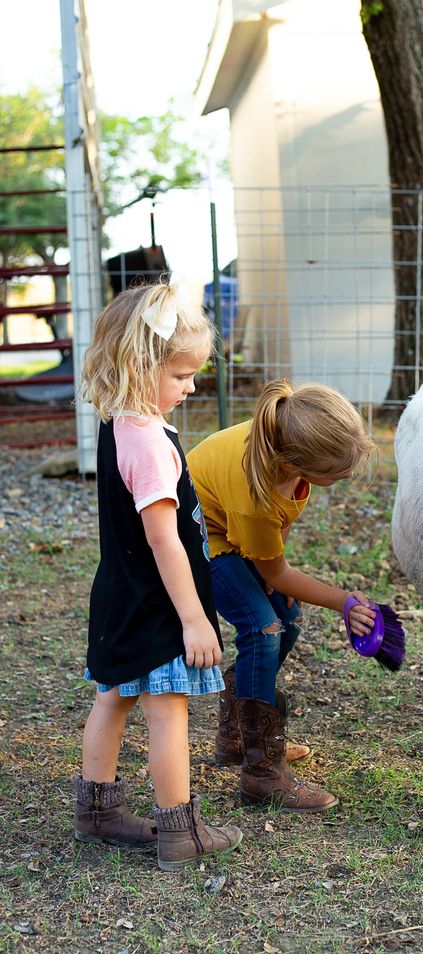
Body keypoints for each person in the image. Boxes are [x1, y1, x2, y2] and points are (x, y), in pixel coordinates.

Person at [76, 278, 242, 871]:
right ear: (137, 365)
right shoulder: (149, 444)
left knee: (114, 696)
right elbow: (163, 538)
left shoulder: (120, 423)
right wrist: (195, 621)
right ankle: (180, 830)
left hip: (120, 594)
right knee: (167, 706)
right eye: (179, 375)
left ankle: (96, 810)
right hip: (158, 604)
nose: (192, 386)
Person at [187, 379, 377, 812]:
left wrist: (265, 563)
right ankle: (262, 771)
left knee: (286, 621)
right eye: (340, 472)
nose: (347, 476)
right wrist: (344, 602)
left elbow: (278, 529)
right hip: (199, 541)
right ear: (297, 462)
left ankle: (238, 735)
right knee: (264, 628)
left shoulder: (285, 452)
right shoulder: (256, 488)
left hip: (234, 530)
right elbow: (279, 567)